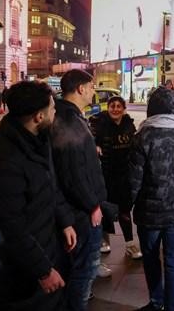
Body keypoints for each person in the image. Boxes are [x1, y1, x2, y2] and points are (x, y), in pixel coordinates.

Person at [0, 81, 76, 310]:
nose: (55, 111)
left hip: (41, 253)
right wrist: (43, 271)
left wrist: (65, 220)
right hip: (14, 280)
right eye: (52, 108)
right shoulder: (1, 160)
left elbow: (50, 185)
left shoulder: (36, 141)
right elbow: (8, 227)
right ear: (38, 116)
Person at [128, 87, 174, 311]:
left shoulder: (142, 137)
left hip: (148, 213)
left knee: (150, 258)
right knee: (173, 261)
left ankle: (156, 301)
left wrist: (124, 206)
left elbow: (134, 180)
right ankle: (171, 308)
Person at [51, 69, 107, 310]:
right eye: (91, 86)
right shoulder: (69, 119)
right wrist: (92, 205)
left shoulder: (65, 116)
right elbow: (72, 173)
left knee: (76, 270)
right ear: (81, 89)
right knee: (83, 273)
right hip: (81, 213)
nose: (94, 91)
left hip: (73, 210)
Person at [89, 96, 142, 261]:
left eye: (119, 106)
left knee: (125, 210)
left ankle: (130, 243)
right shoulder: (99, 123)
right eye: (113, 106)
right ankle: (104, 240)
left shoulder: (128, 124)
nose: (116, 109)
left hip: (124, 174)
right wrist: (95, 147)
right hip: (105, 173)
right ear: (108, 107)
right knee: (105, 209)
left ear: (124, 108)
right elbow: (91, 140)